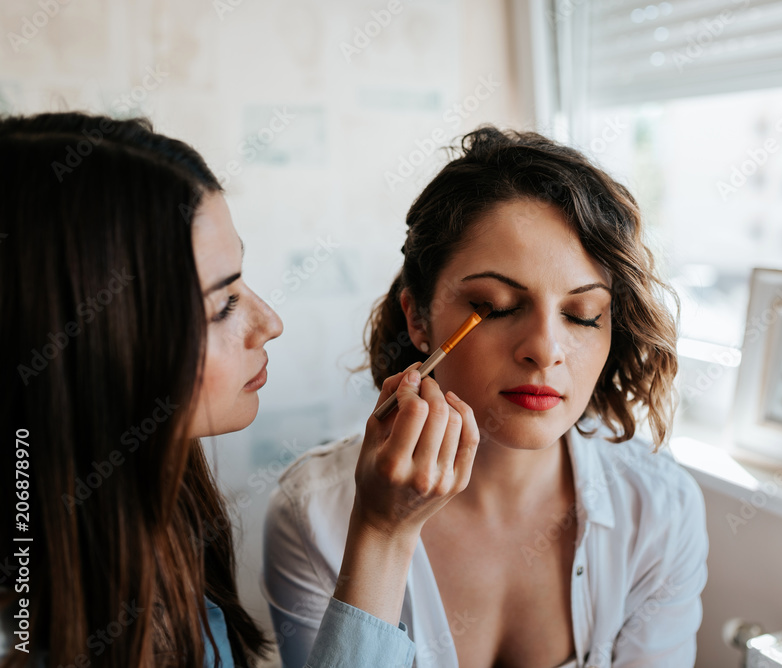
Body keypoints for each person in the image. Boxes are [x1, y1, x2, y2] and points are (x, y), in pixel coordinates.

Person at [0, 112, 477, 667]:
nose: (269, 322)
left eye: (584, 313)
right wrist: (385, 535)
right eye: (222, 304)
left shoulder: (158, 528)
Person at [263, 126, 710, 667]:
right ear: (419, 319)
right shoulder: (314, 512)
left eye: (582, 314)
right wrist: (381, 535)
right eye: (497, 306)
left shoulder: (658, 509)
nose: (545, 349)